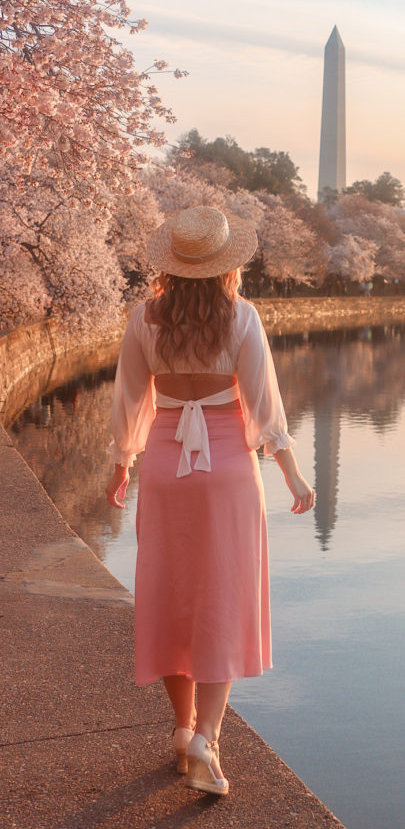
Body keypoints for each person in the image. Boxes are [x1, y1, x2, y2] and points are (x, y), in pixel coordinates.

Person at [105, 206, 314, 797]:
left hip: (168, 468)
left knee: (172, 593)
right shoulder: (242, 318)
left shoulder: (144, 320)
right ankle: (207, 739)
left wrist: (122, 463)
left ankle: (180, 730)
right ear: (227, 266)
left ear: (170, 267)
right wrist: (294, 476)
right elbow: (266, 408)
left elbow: (128, 399)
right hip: (226, 471)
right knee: (223, 597)